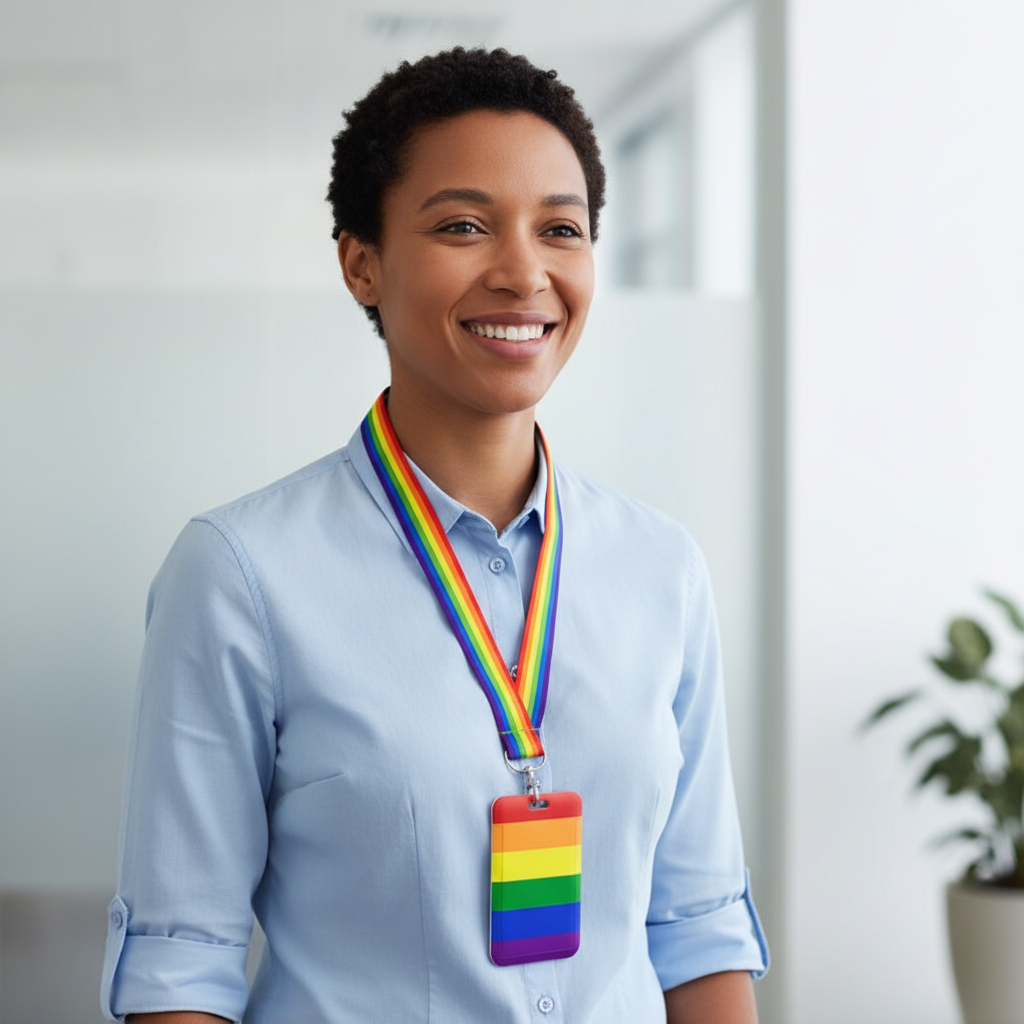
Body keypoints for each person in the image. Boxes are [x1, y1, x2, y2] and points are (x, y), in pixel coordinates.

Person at [101, 47, 768, 1024]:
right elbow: (182, 959)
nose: (524, 272)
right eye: (463, 225)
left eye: (560, 229)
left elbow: (698, 928)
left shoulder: (660, 567)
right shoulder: (241, 573)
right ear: (361, 263)